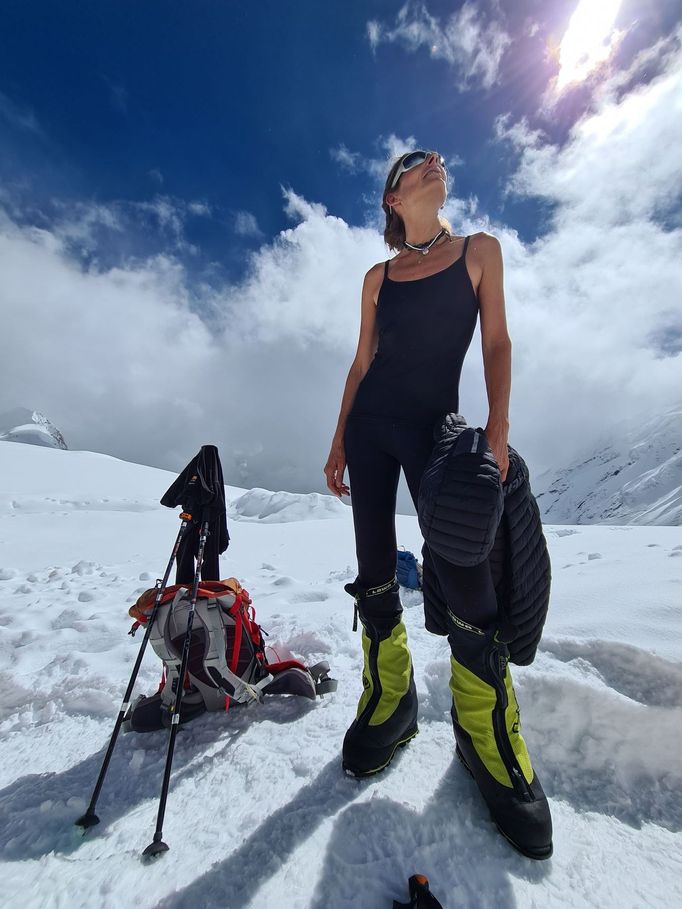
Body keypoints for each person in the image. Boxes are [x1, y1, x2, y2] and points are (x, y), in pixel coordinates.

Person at [323, 149, 552, 859]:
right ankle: (392, 701)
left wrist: (500, 427)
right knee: (373, 569)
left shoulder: (478, 252)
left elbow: (497, 340)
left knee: (465, 571)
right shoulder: (377, 277)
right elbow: (362, 363)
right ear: (394, 198)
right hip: (371, 430)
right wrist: (338, 441)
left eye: (437, 161)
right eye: (417, 164)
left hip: (437, 434)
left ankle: (484, 728)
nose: (435, 165)